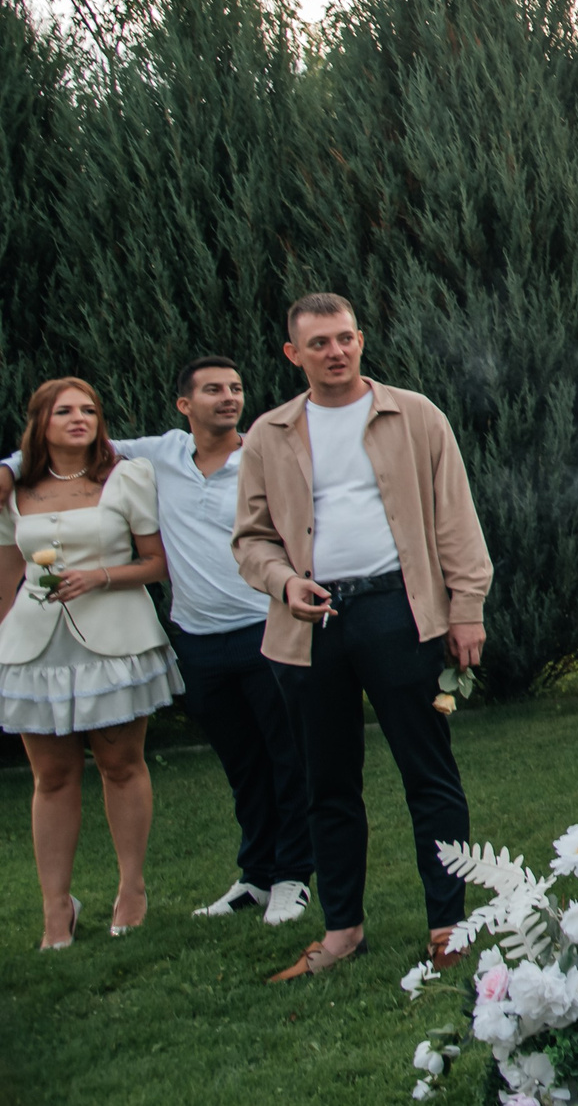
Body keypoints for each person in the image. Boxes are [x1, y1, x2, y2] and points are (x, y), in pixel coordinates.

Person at [234, 293, 493, 983]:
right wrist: (283, 581)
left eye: (345, 337)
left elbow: (456, 517)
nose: (336, 351)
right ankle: (343, 928)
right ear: (294, 353)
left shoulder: (413, 415)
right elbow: (251, 537)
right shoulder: (269, 434)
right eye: (318, 342)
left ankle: (448, 924)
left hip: (398, 612)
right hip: (309, 622)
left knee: (429, 772)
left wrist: (466, 607)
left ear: (361, 338)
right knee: (327, 783)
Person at [1, 357, 315, 927]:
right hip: (198, 635)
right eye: (214, 389)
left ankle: (294, 877)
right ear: (183, 405)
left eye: (237, 388)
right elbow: (76, 443)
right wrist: (8, 466)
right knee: (242, 765)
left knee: (287, 758)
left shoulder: (266, 454)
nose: (229, 397)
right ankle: (256, 876)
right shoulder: (160, 455)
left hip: (267, 625)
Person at [0, 377, 178, 948]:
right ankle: (57, 908)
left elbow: (156, 563)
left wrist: (100, 575)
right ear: (40, 423)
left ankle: (132, 889)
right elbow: (7, 570)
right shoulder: (13, 489)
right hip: (35, 648)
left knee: (121, 764)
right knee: (50, 776)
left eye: (90, 409)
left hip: (116, 639)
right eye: (64, 411)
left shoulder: (127, 477)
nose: (80, 418)